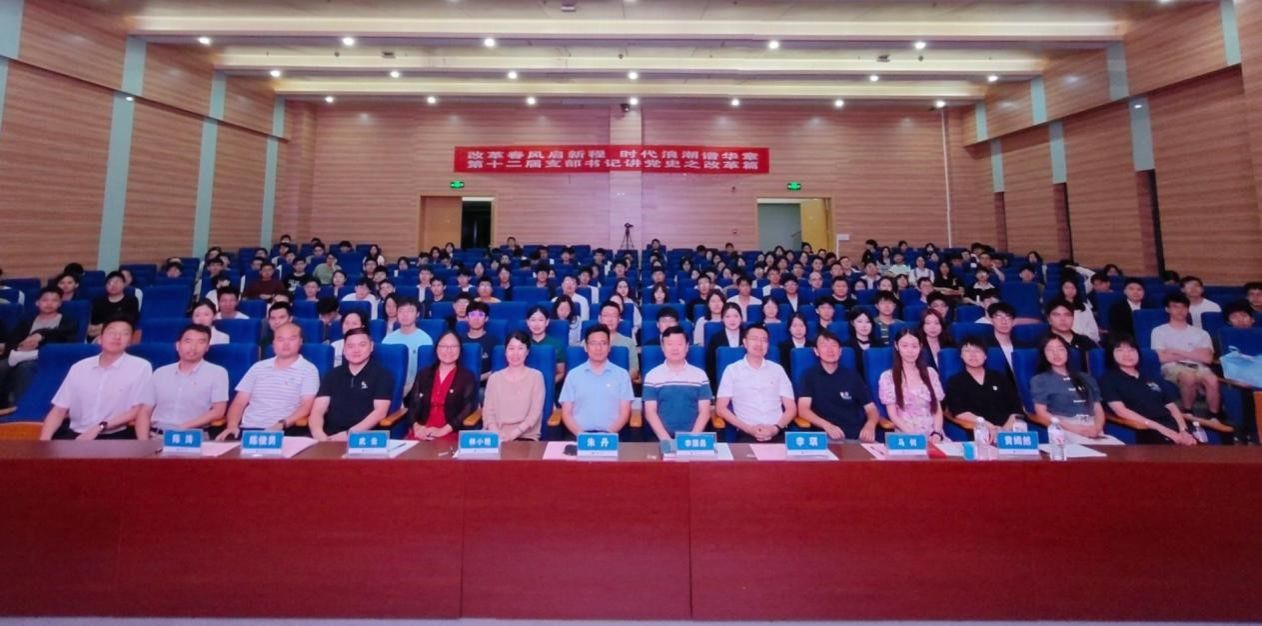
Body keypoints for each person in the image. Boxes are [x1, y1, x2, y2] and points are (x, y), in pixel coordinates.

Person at [39, 318, 151, 440]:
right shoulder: (79, 367)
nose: (117, 337)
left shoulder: (141, 367)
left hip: (114, 435)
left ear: (130, 341)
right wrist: (44, 441)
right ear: (100, 338)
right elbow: (59, 409)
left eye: (125, 333)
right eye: (112, 332)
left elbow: (137, 409)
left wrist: (100, 427)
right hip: (75, 434)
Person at [216, 323, 320, 440]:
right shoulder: (258, 367)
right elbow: (239, 402)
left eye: (292, 339)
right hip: (249, 429)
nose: (286, 344)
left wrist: (282, 423)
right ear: (273, 343)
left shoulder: (309, 370)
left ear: (300, 341)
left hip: (284, 430)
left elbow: (306, 406)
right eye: (280, 339)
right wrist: (232, 426)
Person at [135, 324, 230, 438]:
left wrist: (179, 429)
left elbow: (218, 411)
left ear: (207, 347)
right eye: (188, 341)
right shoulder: (160, 373)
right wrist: (144, 442)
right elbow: (144, 411)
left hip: (192, 437)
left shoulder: (217, 373)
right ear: (177, 345)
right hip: (156, 435)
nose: (193, 347)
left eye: (201, 342)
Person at [1100, 335, 1197, 445]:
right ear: (1111, 355)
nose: (1127, 354)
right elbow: (1121, 411)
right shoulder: (1108, 380)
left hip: (1172, 426)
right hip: (1146, 429)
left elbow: (1171, 406)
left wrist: (1184, 430)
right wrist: (1164, 431)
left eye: (1131, 350)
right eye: (1120, 350)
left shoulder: (1152, 377)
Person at [715, 323, 796, 443]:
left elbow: (791, 408)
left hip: (777, 432)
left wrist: (775, 429)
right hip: (746, 434)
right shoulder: (732, 370)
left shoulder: (777, 370)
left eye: (764, 340)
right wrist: (749, 429)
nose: (759, 344)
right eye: (754, 339)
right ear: (745, 342)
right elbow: (721, 408)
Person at [308, 328, 393, 441]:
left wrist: (349, 434)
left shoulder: (382, 375)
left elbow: (380, 412)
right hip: (329, 437)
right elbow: (318, 410)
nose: (356, 350)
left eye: (362, 345)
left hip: (363, 438)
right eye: (350, 346)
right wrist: (318, 433)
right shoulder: (332, 374)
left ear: (371, 347)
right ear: (344, 350)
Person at [0, 288, 78, 409]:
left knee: (24, 368)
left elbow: (66, 342)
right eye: (45, 300)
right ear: (37, 303)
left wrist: (41, 336)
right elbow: (12, 340)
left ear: (60, 303)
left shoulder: (67, 321)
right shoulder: (28, 320)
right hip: (20, 355)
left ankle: (22, 408)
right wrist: (21, 345)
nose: (49, 303)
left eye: (54, 300)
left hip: (46, 357)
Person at [1150, 292, 1223, 422]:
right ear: (1167, 309)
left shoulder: (1201, 333)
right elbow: (1161, 358)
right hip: (1172, 367)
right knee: (1188, 377)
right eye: (1175, 306)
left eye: (1184, 307)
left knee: (1212, 379)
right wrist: (1194, 353)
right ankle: (1188, 413)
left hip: (1199, 367)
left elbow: (1207, 359)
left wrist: (1176, 352)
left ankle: (1214, 417)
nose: (1180, 310)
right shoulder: (1159, 331)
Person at [796, 329, 879, 442]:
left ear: (840, 351)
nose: (830, 350)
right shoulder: (809, 376)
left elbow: (871, 408)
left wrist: (870, 425)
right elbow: (803, 410)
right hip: (826, 437)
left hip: (857, 436)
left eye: (834, 345)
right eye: (824, 345)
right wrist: (826, 425)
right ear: (816, 351)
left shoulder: (852, 376)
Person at [558, 325, 633, 436]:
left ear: (609, 347)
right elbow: (566, 413)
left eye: (603, 343)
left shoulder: (622, 375)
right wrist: (582, 436)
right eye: (593, 343)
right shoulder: (573, 375)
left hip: (612, 435)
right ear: (585, 347)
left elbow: (624, 413)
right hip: (578, 435)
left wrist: (607, 435)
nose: (598, 348)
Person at [1029, 335, 1106, 439]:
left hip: (1094, 428)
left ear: (1067, 352)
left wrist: (1097, 427)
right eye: (1050, 350)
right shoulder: (1040, 380)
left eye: (1060, 349)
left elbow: (1098, 408)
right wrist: (1074, 428)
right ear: (1044, 354)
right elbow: (1041, 412)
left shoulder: (1086, 378)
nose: (1056, 354)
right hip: (1064, 428)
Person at [944, 337, 1025, 436]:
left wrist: (1004, 431)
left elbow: (1016, 409)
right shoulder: (955, 381)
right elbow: (959, 412)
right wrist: (988, 426)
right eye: (967, 351)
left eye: (977, 351)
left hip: (1008, 432)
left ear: (985, 356)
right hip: (978, 432)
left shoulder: (1000, 378)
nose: (973, 355)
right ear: (961, 355)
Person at [642, 326, 712, 440]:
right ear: (662, 347)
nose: (674, 348)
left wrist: (692, 438)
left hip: (693, 437)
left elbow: (705, 411)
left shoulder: (700, 375)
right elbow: (650, 412)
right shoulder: (652, 375)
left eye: (679, 344)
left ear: (687, 347)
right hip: (661, 437)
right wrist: (666, 439)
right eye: (669, 344)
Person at [406, 331, 479, 440]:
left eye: (454, 346)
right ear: (436, 349)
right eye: (444, 346)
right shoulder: (423, 374)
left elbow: (467, 409)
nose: (449, 350)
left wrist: (443, 431)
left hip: (451, 432)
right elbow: (413, 405)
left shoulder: (467, 376)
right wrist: (416, 427)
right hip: (422, 431)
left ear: (460, 350)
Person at [878, 329, 947, 440]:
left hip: (933, 434)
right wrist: (917, 437)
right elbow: (893, 415)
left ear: (920, 347)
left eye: (914, 346)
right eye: (904, 346)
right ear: (896, 346)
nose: (910, 351)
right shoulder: (888, 377)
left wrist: (937, 433)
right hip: (906, 434)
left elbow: (937, 409)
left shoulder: (931, 373)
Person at [482, 332, 546, 441]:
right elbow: (488, 412)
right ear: (505, 351)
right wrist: (496, 433)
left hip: (526, 437)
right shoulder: (494, 378)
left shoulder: (536, 377)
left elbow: (535, 413)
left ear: (527, 352)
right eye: (511, 348)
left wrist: (514, 434)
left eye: (520, 348)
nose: (515, 353)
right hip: (496, 436)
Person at [382, 297, 432, 389]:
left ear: (417, 314)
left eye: (410, 311)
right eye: (401, 311)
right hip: (391, 387)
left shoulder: (425, 340)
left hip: (417, 387)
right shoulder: (388, 340)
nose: (405, 315)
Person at [1045, 298, 1098, 370]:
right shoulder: (1042, 343)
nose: (1063, 319)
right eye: (1057, 315)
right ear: (1048, 319)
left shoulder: (1086, 341)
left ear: (1073, 318)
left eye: (1067, 315)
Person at [88, 271, 140, 341]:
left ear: (124, 284)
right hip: (97, 337)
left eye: (117, 282)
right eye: (109, 283)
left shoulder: (131, 300)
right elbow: (91, 326)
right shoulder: (97, 301)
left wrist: (104, 327)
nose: (112, 285)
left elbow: (130, 320)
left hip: (120, 335)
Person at [705, 302, 745, 393]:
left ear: (741, 318)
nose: (732, 320)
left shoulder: (748, 337)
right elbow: (710, 368)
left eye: (736, 316)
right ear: (722, 319)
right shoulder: (716, 339)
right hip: (722, 384)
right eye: (727, 316)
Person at [597, 300, 639, 380]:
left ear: (619, 319)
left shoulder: (628, 342)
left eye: (614, 316)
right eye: (606, 316)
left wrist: (619, 382)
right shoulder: (588, 342)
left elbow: (634, 370)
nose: (610, 319)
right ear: (599, 318)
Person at [460, 300, 496, 379]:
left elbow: (497, 368)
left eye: (480, 315)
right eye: (472, 315)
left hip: (486, 383)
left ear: (486, 318)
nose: (476, 318)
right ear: (466, 318)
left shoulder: (494, 341)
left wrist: (477, 379)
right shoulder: (459, 340)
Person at [1057, 277, 1100, 342]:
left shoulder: (1084, 306)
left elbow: (1092, 326)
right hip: (1066, 340)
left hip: (1086, 339)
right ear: (1062, 289)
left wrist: (1084, 337)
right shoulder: (1057, 307)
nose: (1070, 290)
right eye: (1067, 287)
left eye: (1073, 288)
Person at [846, 308, 883, 378]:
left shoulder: (880, 346)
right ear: (852, 323)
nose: (864, 326)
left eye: (868, 322)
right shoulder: (846, 346)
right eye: (859, 321)